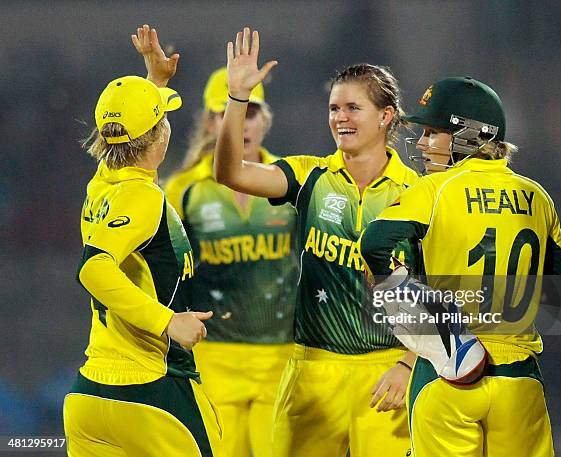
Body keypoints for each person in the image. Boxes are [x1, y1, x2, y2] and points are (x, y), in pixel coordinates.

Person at [214, 27, 417, 457]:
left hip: (387, 374)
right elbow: (230, 172)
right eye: (333, 108)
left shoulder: (417, 194)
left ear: (385, 116)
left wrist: (408, 364)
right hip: (311, 371)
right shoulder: (309, 176)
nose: (340, 117)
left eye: (352, 107)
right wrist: (237, 99)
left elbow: (433, 289)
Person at [360, 76, 561, 456]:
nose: (422, 144)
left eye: (433, 132)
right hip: (519, 378)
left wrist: (403, 294)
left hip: (448, 375)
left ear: (469, 137)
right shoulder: (538, 197)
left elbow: (373, 243)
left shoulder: (433, 190)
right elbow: (559, 291)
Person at [63, 25, 223, 457]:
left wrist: (155, 81)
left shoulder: (104, 182)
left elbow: (128, 135)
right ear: (160, 135)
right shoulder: (142, 197)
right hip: (152, 393)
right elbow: (93, 268)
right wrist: (167, 321)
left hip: (89, 396)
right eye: (163, 118)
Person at [164, 66, 298, 457]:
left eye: (250, 111)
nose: (240, 122)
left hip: (282, 355)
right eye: (225, 112)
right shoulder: (184, 189)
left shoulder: (288, 179)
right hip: (214, 357)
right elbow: (162, 268)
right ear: (209, 122)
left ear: (265, 120)